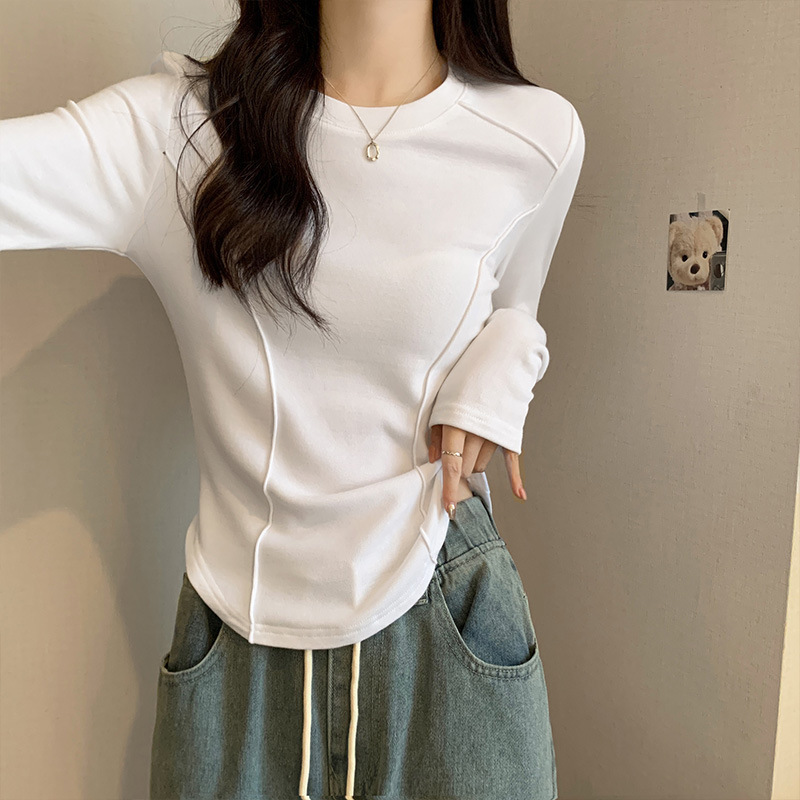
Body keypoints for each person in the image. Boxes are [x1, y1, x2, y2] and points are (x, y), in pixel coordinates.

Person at [0, 0, 585, 797]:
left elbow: (516, 302)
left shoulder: (538, 138)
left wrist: (508, 360)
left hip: (448, 612)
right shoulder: (177, 133)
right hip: (238, 638)